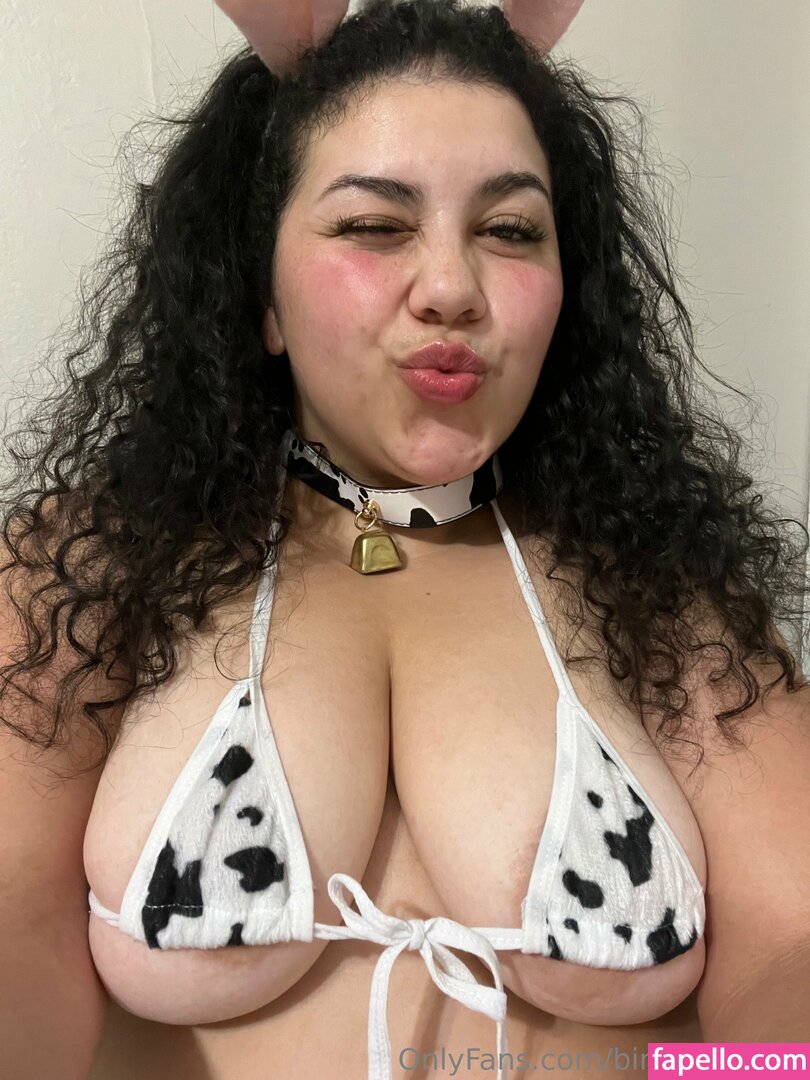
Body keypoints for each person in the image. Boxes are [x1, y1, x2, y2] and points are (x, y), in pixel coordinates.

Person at [1, 1, 808, 1077]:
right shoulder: (89, 569)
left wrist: (702, 1074)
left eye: (510, 230)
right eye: (375, 227)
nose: (453, 290)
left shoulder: (661, 589)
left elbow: (790, 947)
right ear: (261, 295)